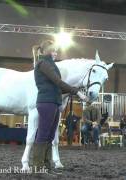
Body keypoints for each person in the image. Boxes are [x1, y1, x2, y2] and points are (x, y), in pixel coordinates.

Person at [32, 40, 88, 174]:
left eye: (56, 51)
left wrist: (73, 90)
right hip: (47, 102)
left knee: (50, 135)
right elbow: (58, 82)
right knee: (43, 134)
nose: (56, 53)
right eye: (54, 50)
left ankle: (46, 166)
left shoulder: (49, 64)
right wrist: (76, 92)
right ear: (46, 51)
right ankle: (38, 167)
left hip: (53, 102)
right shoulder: (43, 64)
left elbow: (57, 87)